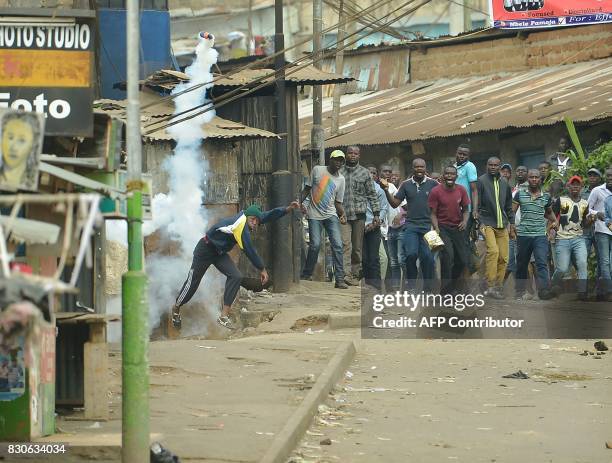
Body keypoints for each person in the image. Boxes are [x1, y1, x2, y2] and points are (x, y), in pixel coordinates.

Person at [171, 201, 300, 330]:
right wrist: (262, 269)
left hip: (219, 253)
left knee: (236, 276)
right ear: (248, 217)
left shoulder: (249, 216)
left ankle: (223, 316)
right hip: (205, 249)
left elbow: (269, 215)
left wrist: (288, 208)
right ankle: (176, 308)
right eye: (253, 220)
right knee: (192, 283)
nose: (255, 223)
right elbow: (249, 250)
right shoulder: (240, 225)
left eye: (256, 221)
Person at [380, 158, 438, 292]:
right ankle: (411, 285)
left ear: (425, 168)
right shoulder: (406, 185)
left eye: (422, 167)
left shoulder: (433, 184)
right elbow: (395, 203)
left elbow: (442, 199)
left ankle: (428, 289)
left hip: (428, 227)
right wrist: (386, 190)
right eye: (417, 167)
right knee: (411, 255)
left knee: (428, 258)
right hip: (411, 226)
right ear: (412, 168)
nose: (419, 169)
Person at [300, 149, 348, 289]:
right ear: (330, 160)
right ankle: (307, 274)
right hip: (314, 214)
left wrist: (342, 214)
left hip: (331, 214)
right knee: (315, 245)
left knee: (338, 245)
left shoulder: (341, 179)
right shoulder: (317, 170)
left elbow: (338, 202)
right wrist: (298, 202)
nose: (338, 163)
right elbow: (307, 189)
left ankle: (339, 279)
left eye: (341, 161)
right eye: (336, 159)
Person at [513, 169, 558, 300]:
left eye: (536, 177)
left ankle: (543, 291)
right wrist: (511, 227)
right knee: (522, 263)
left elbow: (548, 212)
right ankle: (519, 291)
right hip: (523, 235)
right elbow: (512, 212)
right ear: (528, 179)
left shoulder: (546, 197)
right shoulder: (520, 195)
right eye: (531, 177)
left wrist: (554, 221)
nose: (534, 179)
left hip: (540, 235)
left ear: (540, 179)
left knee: (542, 262)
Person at [340, 146, 381, 285]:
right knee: (346, 245)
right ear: (346, 155)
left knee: (357, 248)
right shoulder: (339, 172)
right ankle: (346, 275)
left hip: (359, 215)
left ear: (359, 156)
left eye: (355, 153)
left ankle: (355, 274)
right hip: (343, 215)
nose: (352, 155)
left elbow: (372, 194)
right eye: (350, 153)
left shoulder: (365, 173)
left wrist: (376, 214)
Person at [475, 157, 515, 299]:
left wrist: (512, 224)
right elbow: (477, 204)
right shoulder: (481, 181)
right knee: (493, 251)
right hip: (487, 223)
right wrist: (480, 222)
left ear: (499, 167)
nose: (493, 167)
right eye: (490, 165)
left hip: (502, 224)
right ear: (487, 165)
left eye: (495, 165)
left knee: (504, 257)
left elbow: (509, 206)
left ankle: (497, 286)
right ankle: (490, 285)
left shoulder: (504, 183)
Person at [428, 165, 470, 295]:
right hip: (442, 228)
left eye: (452, 174)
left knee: (462, 260)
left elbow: (466, 210)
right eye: (447, 174)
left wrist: (464, 221)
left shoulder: (461, 190)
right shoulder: (435, 191)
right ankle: (445, 292)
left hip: (458, 228)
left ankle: (454, 286)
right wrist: (436, 228)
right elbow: (432, 213)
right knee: (447, 258)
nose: (450, 176)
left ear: (456, 176)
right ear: (443, 176)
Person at [551, 176, 590, 300]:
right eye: (572, 185)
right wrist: (551, 228)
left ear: (581, 188)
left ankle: (582, 292)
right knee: (562, 268)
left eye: (577, 185)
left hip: (578, 238)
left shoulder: (585, 203)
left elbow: (584, 224)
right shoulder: (561, 200)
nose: (575, 187)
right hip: (562, 238)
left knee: (583, 263)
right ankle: (553, 284)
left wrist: (590, 221)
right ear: (568, 187)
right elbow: (551, 215)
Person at [587, 167, 612, 301]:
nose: (610, 178)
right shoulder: (597, 191)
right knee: (605, 261)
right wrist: (597, 213)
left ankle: (603, 290)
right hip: (601, 230)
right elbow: (587, 209)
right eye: (608, 176)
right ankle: (608, 291)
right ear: (605, 177)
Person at [0, 112, 42, 191]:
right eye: (10, 138)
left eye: (22, 140)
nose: (13, 147)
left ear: (33, 145)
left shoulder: (29, 186)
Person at [362, 166, 388, 290]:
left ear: (376, 176)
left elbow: (384, 209)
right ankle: (366, 285)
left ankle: (376, 287)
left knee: (374, 258)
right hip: (359, 227)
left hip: (374, 226)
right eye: (368, 172)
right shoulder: (358, 189)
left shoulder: (379, 190)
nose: (370, 175)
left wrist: (374, 224)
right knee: (363, 258)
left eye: (373, 173)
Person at [506, 165, 529, 281]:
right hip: (512, 227)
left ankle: (523, 290)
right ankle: (497, 287)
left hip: (525, 229)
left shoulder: (530, 189)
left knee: (520, 260)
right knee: (510, 260)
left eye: (523, 170)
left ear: (527, 173)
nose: (520, 172)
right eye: (518, 170)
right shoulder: (513, 189)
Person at [582, 168, 602, 259]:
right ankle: (583, 274)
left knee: (601, 257)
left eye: (595, 176)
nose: (592, 178)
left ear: (599, 178)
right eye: (590, 176)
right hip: (586, 230)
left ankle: (600, 274)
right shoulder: (582, 193)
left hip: (600, 229)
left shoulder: (604, 192)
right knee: (583, 257)